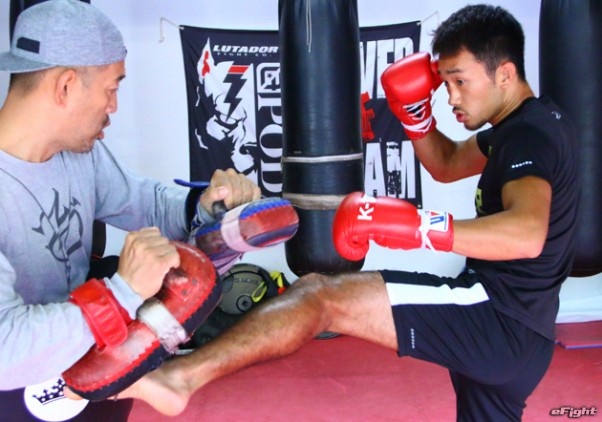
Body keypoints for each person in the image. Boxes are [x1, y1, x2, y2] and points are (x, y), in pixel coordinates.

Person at [114, 4, 580, 421]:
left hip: (495, 317)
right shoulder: (525, 125)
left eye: (460, 81)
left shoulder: (528, 138)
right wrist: (415, 115)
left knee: (319, 295)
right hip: (524, 332)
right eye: (446, 83)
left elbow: (526, 234)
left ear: (505, 74)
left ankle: (180, 378)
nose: (452, 97)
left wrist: (418, 226)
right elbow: (447, 163)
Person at [0, 1, 260, 421]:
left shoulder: (79, 154)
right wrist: (122, 293)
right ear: (66, 86)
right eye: (111, 88)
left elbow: (144, 203)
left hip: (86, 368)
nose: (114, 106)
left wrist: (205, 205)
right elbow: (5, 350)